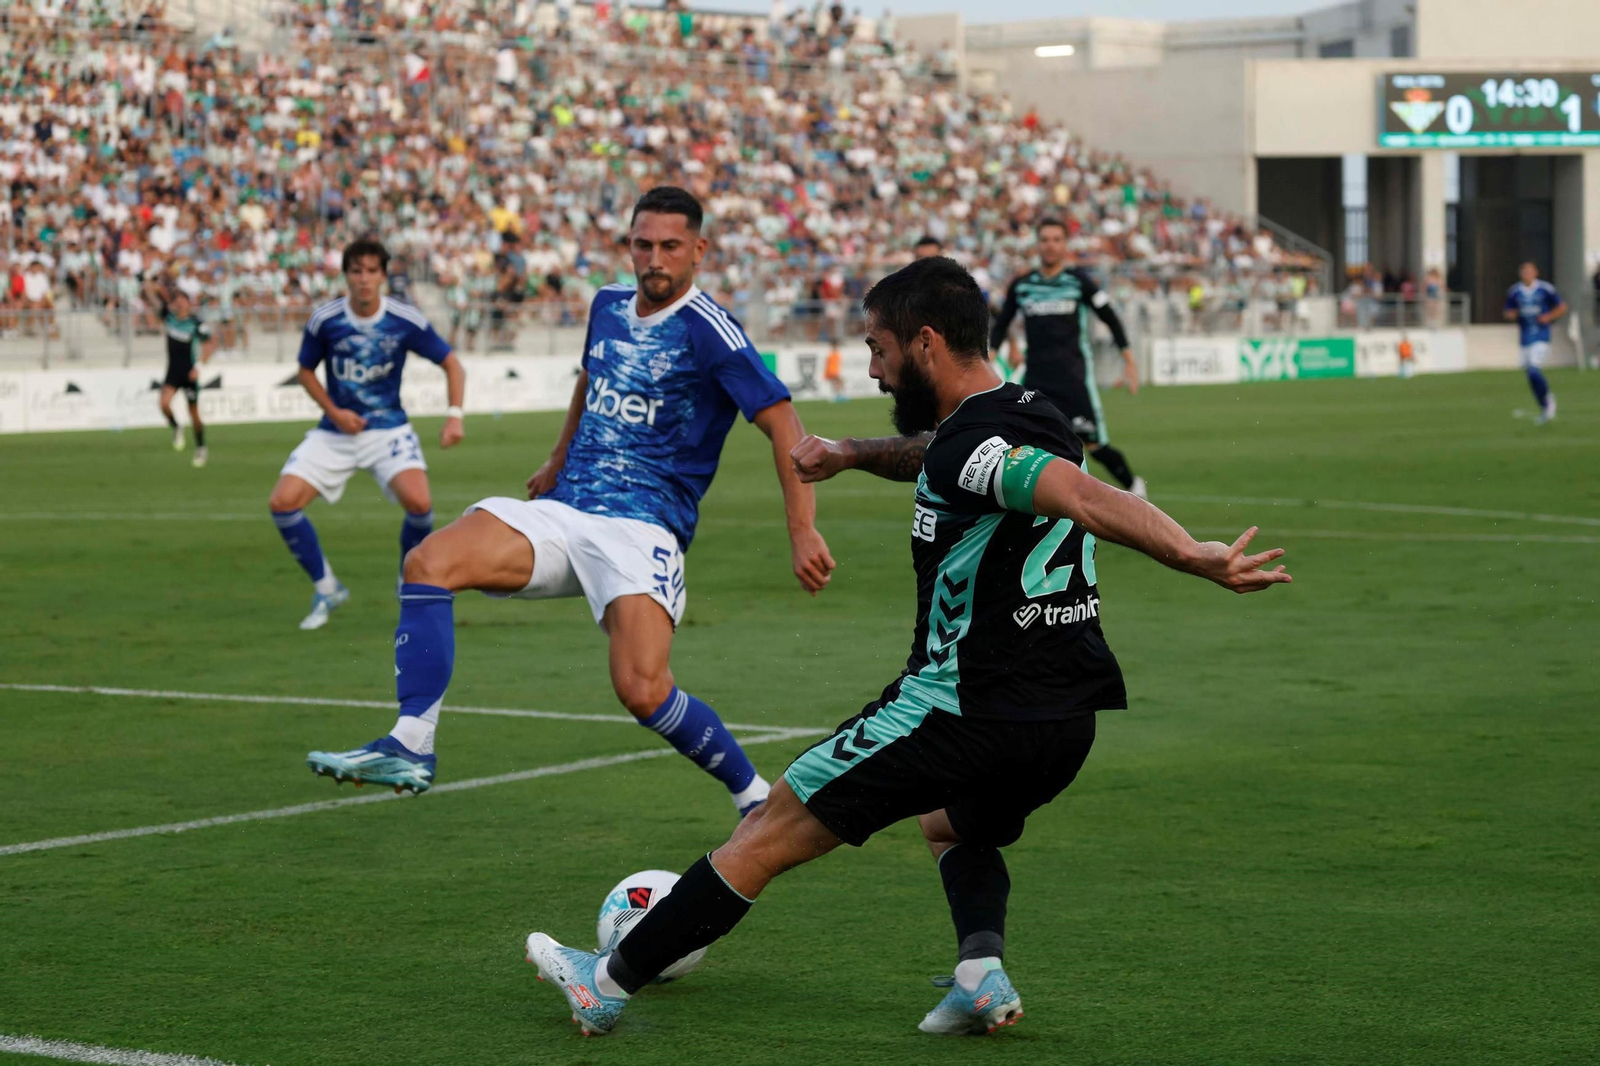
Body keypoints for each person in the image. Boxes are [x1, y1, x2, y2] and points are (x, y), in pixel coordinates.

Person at [524, 256, 1291, 1037]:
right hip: (1065, 718)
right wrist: (852, 453)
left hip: (961, 708)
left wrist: (1192, 554)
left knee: (769, 826)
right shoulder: (1032, 413)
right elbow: (949, 457)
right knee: (949, 823)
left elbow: (1084, 497)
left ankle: (608, 980)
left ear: (925, 344)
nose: (874, 370)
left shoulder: (972, 448)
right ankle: (979, 975)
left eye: (879, 349)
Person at [304, 188, 836, 815]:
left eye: (670, 247)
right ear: (628, 246)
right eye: (643, 245)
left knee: (642, 690)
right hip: (566, 509)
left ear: (699, 250)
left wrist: (801, 528)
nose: (654, 259)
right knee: (427, 562)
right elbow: (592, 375)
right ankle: (411, 742)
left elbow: (782, 421)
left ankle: (752, 797)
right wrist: (558, 457)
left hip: (644, 528)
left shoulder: (709, 330)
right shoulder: (608, 305)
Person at [267, 238, 467, 631]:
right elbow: (305, 371)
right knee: (282, 502)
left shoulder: (403, 319)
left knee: (420, 505)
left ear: (383, 276)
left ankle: (408, 579)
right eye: (356, 271)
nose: (364, 279)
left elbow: (452, 365)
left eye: (372, 271)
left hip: (387, 429)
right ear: (346, 275)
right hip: (335, 432)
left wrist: (454, 416)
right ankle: (327, 588)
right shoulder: (326, 320)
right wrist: (335, 413)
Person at [990, 219, 1148, 498]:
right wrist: (993, 355)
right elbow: (1002, 323)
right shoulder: (1023, 285)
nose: (1050, 245)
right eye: (1045, 239)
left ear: (1064, 245)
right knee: (1025, 446)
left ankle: (1135, 488)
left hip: (1074, 381)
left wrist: (1129, 359)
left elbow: (1109, 317)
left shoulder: (1078, 282)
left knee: (1094, 445)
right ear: (1037, 244)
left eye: (1056, 239)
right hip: (1036, 381)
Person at [145, 282, 217, 467]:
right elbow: (152, 300)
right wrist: (150, 286)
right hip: (173, 371)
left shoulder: (195, 323)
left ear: (188, 303)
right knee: (163, 404)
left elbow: (210, 344)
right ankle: (176, 426)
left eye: (182, 301)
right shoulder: (169, 318)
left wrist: (199, 366)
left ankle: (201, 447)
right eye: (177, 301)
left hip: (189, 373)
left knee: (194, 414)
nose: (180, 304)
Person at [1502, 262, 1566, 425]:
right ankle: (1544, 407)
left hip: (1541, 336)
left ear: (1535, 272)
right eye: (1524, 271)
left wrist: (1549, 316)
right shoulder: (1515, 291)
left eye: (1529, 271)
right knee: (1530, 376)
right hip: (1525, 338)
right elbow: (1508, 311)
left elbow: (1562, 307)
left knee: (1533, 371)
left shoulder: (1545, 289)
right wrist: (1511, 314)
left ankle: (1549, 399)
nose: (1526, 274)